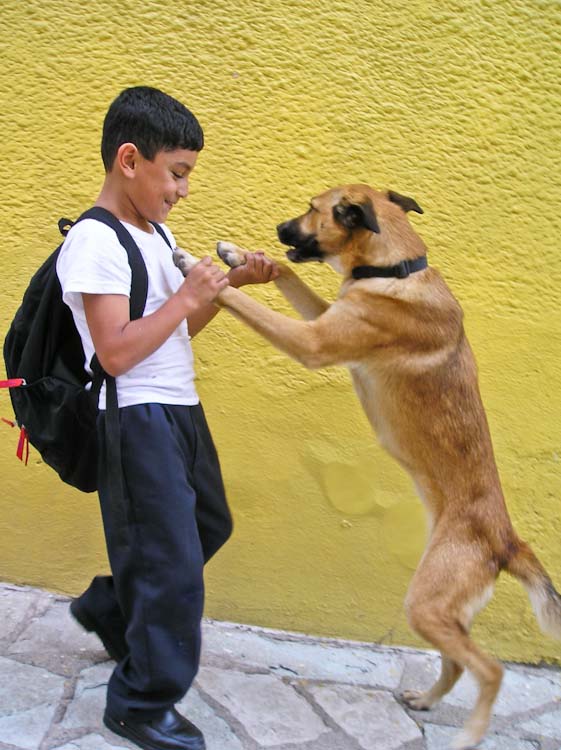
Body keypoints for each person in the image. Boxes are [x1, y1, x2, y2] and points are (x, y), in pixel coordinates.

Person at [56, 86, 279, 750]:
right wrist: (187, 293)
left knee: (206, 525)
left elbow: (172, 333)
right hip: (134, 420)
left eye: (187, 176)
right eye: (176, 172)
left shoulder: (153, 232)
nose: (182, 189)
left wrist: (224, 289)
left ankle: (109, 607)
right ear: (130, 159)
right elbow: (117, 352)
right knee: (172, 567)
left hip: (177, 408)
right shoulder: (94, 242)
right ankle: (139, 703)